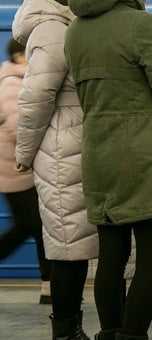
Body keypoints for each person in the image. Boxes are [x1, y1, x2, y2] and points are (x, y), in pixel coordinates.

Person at [64, 0, 152, 340]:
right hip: (142, 154)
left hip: (98, 154)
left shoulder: (75, 30)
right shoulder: (140, 24)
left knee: (111, 258)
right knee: (151, 260)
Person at [13, 0, 102, 340]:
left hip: (70, 143)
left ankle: (70, 333)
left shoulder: (63, 24)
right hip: (60, 147)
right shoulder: (51, 29)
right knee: (68, 245)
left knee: (74, 243)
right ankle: (64, 338)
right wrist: (25, 151)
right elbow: (35, 97)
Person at [0, 37, 51, 304]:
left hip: (21, 169)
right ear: (20, 56)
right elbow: (20, 128)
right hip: (16, 171)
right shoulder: (11, 83)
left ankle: (49, 286)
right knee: (36, 228)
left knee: (33, 227)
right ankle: (49, 287)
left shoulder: (20, 81)